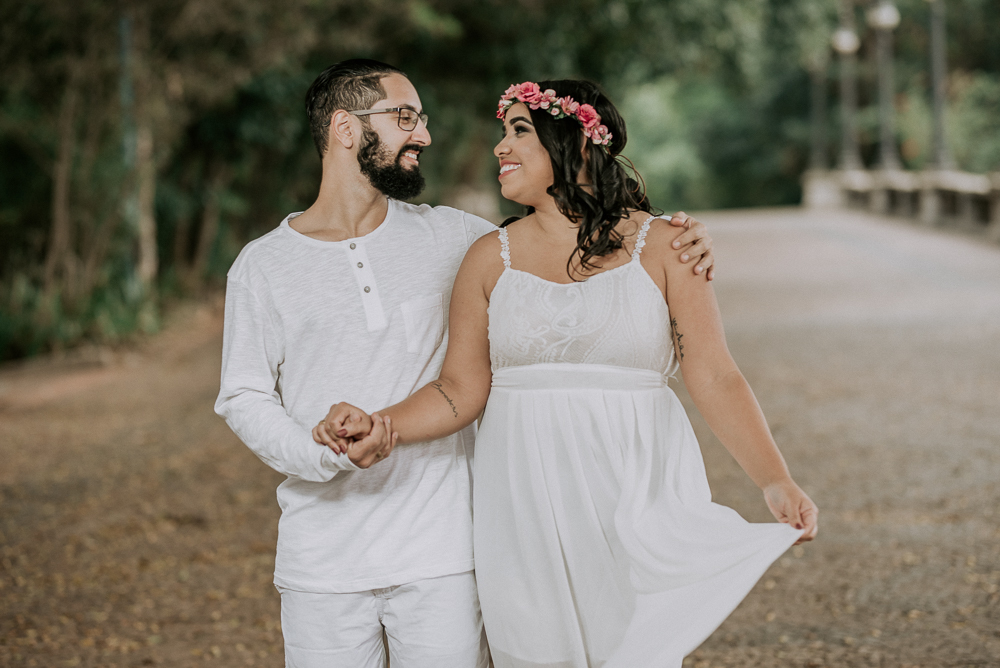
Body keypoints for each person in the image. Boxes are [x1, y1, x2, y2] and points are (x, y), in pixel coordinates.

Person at [216, 60, 716, 668]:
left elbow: (573, 238)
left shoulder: (459, 238)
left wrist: (677, 234)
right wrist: (319, 454)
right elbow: (243, 395)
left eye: (421, 119)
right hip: (321, 558)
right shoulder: (263, 265)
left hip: (446, 554)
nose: (424, 135)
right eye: (405, 118)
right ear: (345, 128)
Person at [316, 80, 818, 668]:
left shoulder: (667, 245)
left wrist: (774, 479)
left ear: (578, 143)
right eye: (503, 132)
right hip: (523, 498)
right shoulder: (487, 257)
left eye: (519, 130)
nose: (501, 146)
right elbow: (458, 391)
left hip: (635, 487)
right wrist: (382, 424)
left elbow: (714, 374)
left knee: (631, 649)